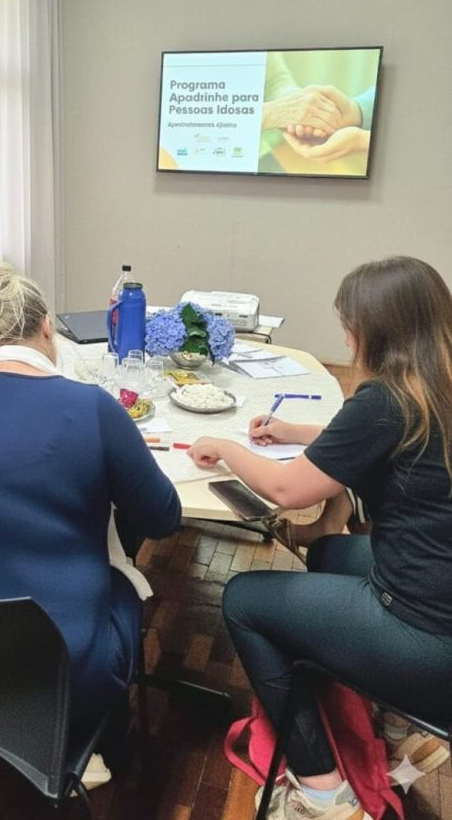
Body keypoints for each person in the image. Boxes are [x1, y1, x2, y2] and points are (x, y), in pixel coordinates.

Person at [0, 259, 181, 805]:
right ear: (47, 328)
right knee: (125, 586)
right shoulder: (93, 409)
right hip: (51, 665)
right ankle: (101, 746)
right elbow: (163, 517)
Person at [188, 256, 452, 820]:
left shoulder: (386, 400)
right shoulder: (433, 388)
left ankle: (323, 792)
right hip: (442, 610)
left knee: (244, 599)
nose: (347, 338)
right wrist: (294, 432)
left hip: (426, 639)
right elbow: (372, 437)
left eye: (350, 326)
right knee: (329, 550)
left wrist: (227, 448)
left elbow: (287, 490)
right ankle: (394, 724)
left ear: (377, 331)